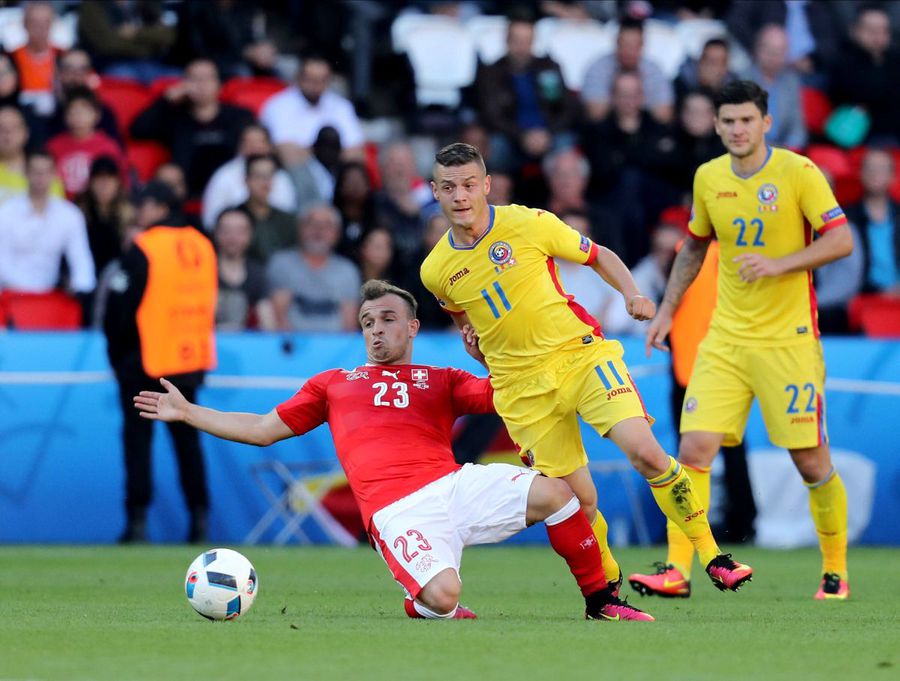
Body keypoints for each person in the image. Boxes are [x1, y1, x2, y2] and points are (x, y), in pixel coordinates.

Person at [133, 279, 654, 622]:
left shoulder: (442, 378)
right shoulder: (333, 383)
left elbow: (511, 396)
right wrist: (189, 413)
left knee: (560, 494)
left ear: (412, 327)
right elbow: (262, 429)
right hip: (396, 510)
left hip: (455, 485)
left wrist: (490, 353)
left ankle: (600, 603)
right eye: (366, 323)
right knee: (445, 598)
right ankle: (421, 600)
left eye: (386, 320)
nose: (376, 331)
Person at [420, 142, 753, 596]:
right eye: (449, 187)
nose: (460, 195)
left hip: (580, 357)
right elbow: (467, 324)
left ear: (487, 186)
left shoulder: (528, 222)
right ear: (435, 191)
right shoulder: (435, 269)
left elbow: (599, 256)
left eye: (469, 185)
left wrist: (631, 293)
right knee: (580, 502)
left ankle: (713, 555)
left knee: (647, 454)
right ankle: (610, 583)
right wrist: (478, 348)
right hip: (521, 388)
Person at [640, 80, 854, 600]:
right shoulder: (709, 177)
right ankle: (678, 569)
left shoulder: (798, 172)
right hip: (726, 338)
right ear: (716, 126)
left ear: (766, 124)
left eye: (746, 120)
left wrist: (780, 264)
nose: (737, 129)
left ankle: (835, 570)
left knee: (810, 459)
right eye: (728, 121)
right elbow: (693, 247)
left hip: (789, 340)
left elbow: (842, 239)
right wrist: (667, 310)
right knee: (693, 447)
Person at [103, 182, 218, 544]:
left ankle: (137, 524)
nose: (139, 212)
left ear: (160, 207)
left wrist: (119, 357)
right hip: (188, 360)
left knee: (138, 443)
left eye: (144, 204)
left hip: (145, 359)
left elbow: (118, 309)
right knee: (189, 444)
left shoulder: (144, 247)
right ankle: (199, 522)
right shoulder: (203, 246)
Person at [130, 59, 255, 199]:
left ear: (219, 84)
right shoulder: (175, 116)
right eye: (194, 79)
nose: (201, 84)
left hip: (232, 191)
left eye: (207, 78)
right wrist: (166, 100)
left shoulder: (239, 117)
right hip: (184, 195)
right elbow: (138, 130)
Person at [0, 150, 95, 300]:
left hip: (52, 296)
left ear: (54, 174)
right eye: (36, 172)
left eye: (45, 172)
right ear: (26, 173)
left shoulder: (70, 214)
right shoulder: (6, 212)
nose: (40, 178)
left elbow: (81, 259)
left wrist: (81, 292)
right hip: (10, 295)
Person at [266, 203, 360, 332]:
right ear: (300, 228)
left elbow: (349, 324)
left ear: (337, 234)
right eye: (312, 223)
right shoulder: (282, 264)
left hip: (335, 348)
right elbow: (278, 318)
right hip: (293, 347)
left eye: (327, 225)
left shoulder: (347, 271)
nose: (319, 230)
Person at [202, 123, 297, 231]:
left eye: (259, 142)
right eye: (248, 142)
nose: (254, 147)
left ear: (270, 146)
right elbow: (211, 219)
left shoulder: (281, 177)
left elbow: (287, 214)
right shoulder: (224, 175)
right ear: (240, 145)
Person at [581, 17, 674, 124]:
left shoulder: (654, 70)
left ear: (642, 45)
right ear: (616, 43)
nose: (629, 51)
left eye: (634, 45)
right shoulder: (598, 68)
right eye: (625, 44)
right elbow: (596, 114)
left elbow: (664, 116)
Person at [46, 86, 127, 198]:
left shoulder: (108, 148)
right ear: (65, 116)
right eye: (72, 112)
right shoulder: (52, 147)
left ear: (97, 115)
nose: (78, 118)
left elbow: (121, 184)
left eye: (83, 112)